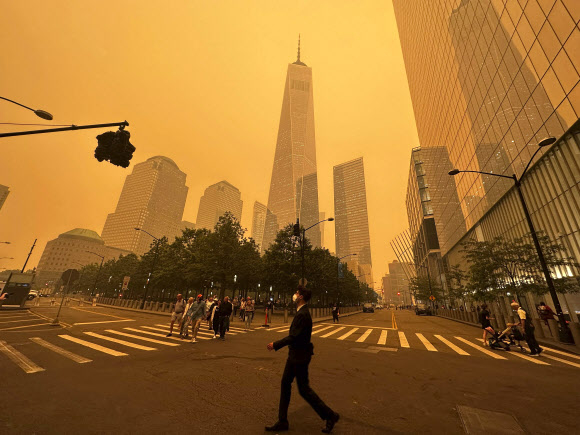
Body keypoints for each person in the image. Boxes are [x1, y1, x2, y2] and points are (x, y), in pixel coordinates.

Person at [266, 286, 340, 433]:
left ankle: (330, 415)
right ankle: (283, 421)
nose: (294, 295)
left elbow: (293, 336)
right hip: (297, 355)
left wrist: (275, 344)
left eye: (296, 293)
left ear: (300, 297)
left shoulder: (303, 314)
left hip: (298, 357)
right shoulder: (302, 312)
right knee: (289, 385)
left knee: (303, 389)